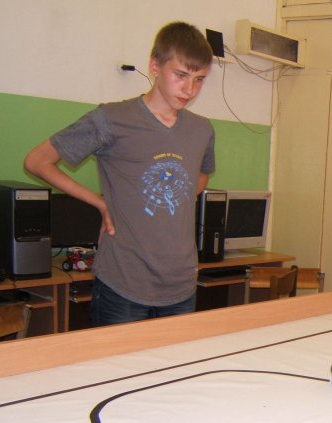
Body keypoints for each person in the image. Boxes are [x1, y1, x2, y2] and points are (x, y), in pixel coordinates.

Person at [24, 22, 215, 326]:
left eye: (199, 79)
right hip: (124, 286)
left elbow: (202, 174)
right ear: (155, 66)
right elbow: (37, 161)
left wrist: (173, 200)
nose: (189, 89)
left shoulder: (202, 129)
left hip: (181, 285)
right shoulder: (112, 119)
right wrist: (101, 203)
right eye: (180, 75)